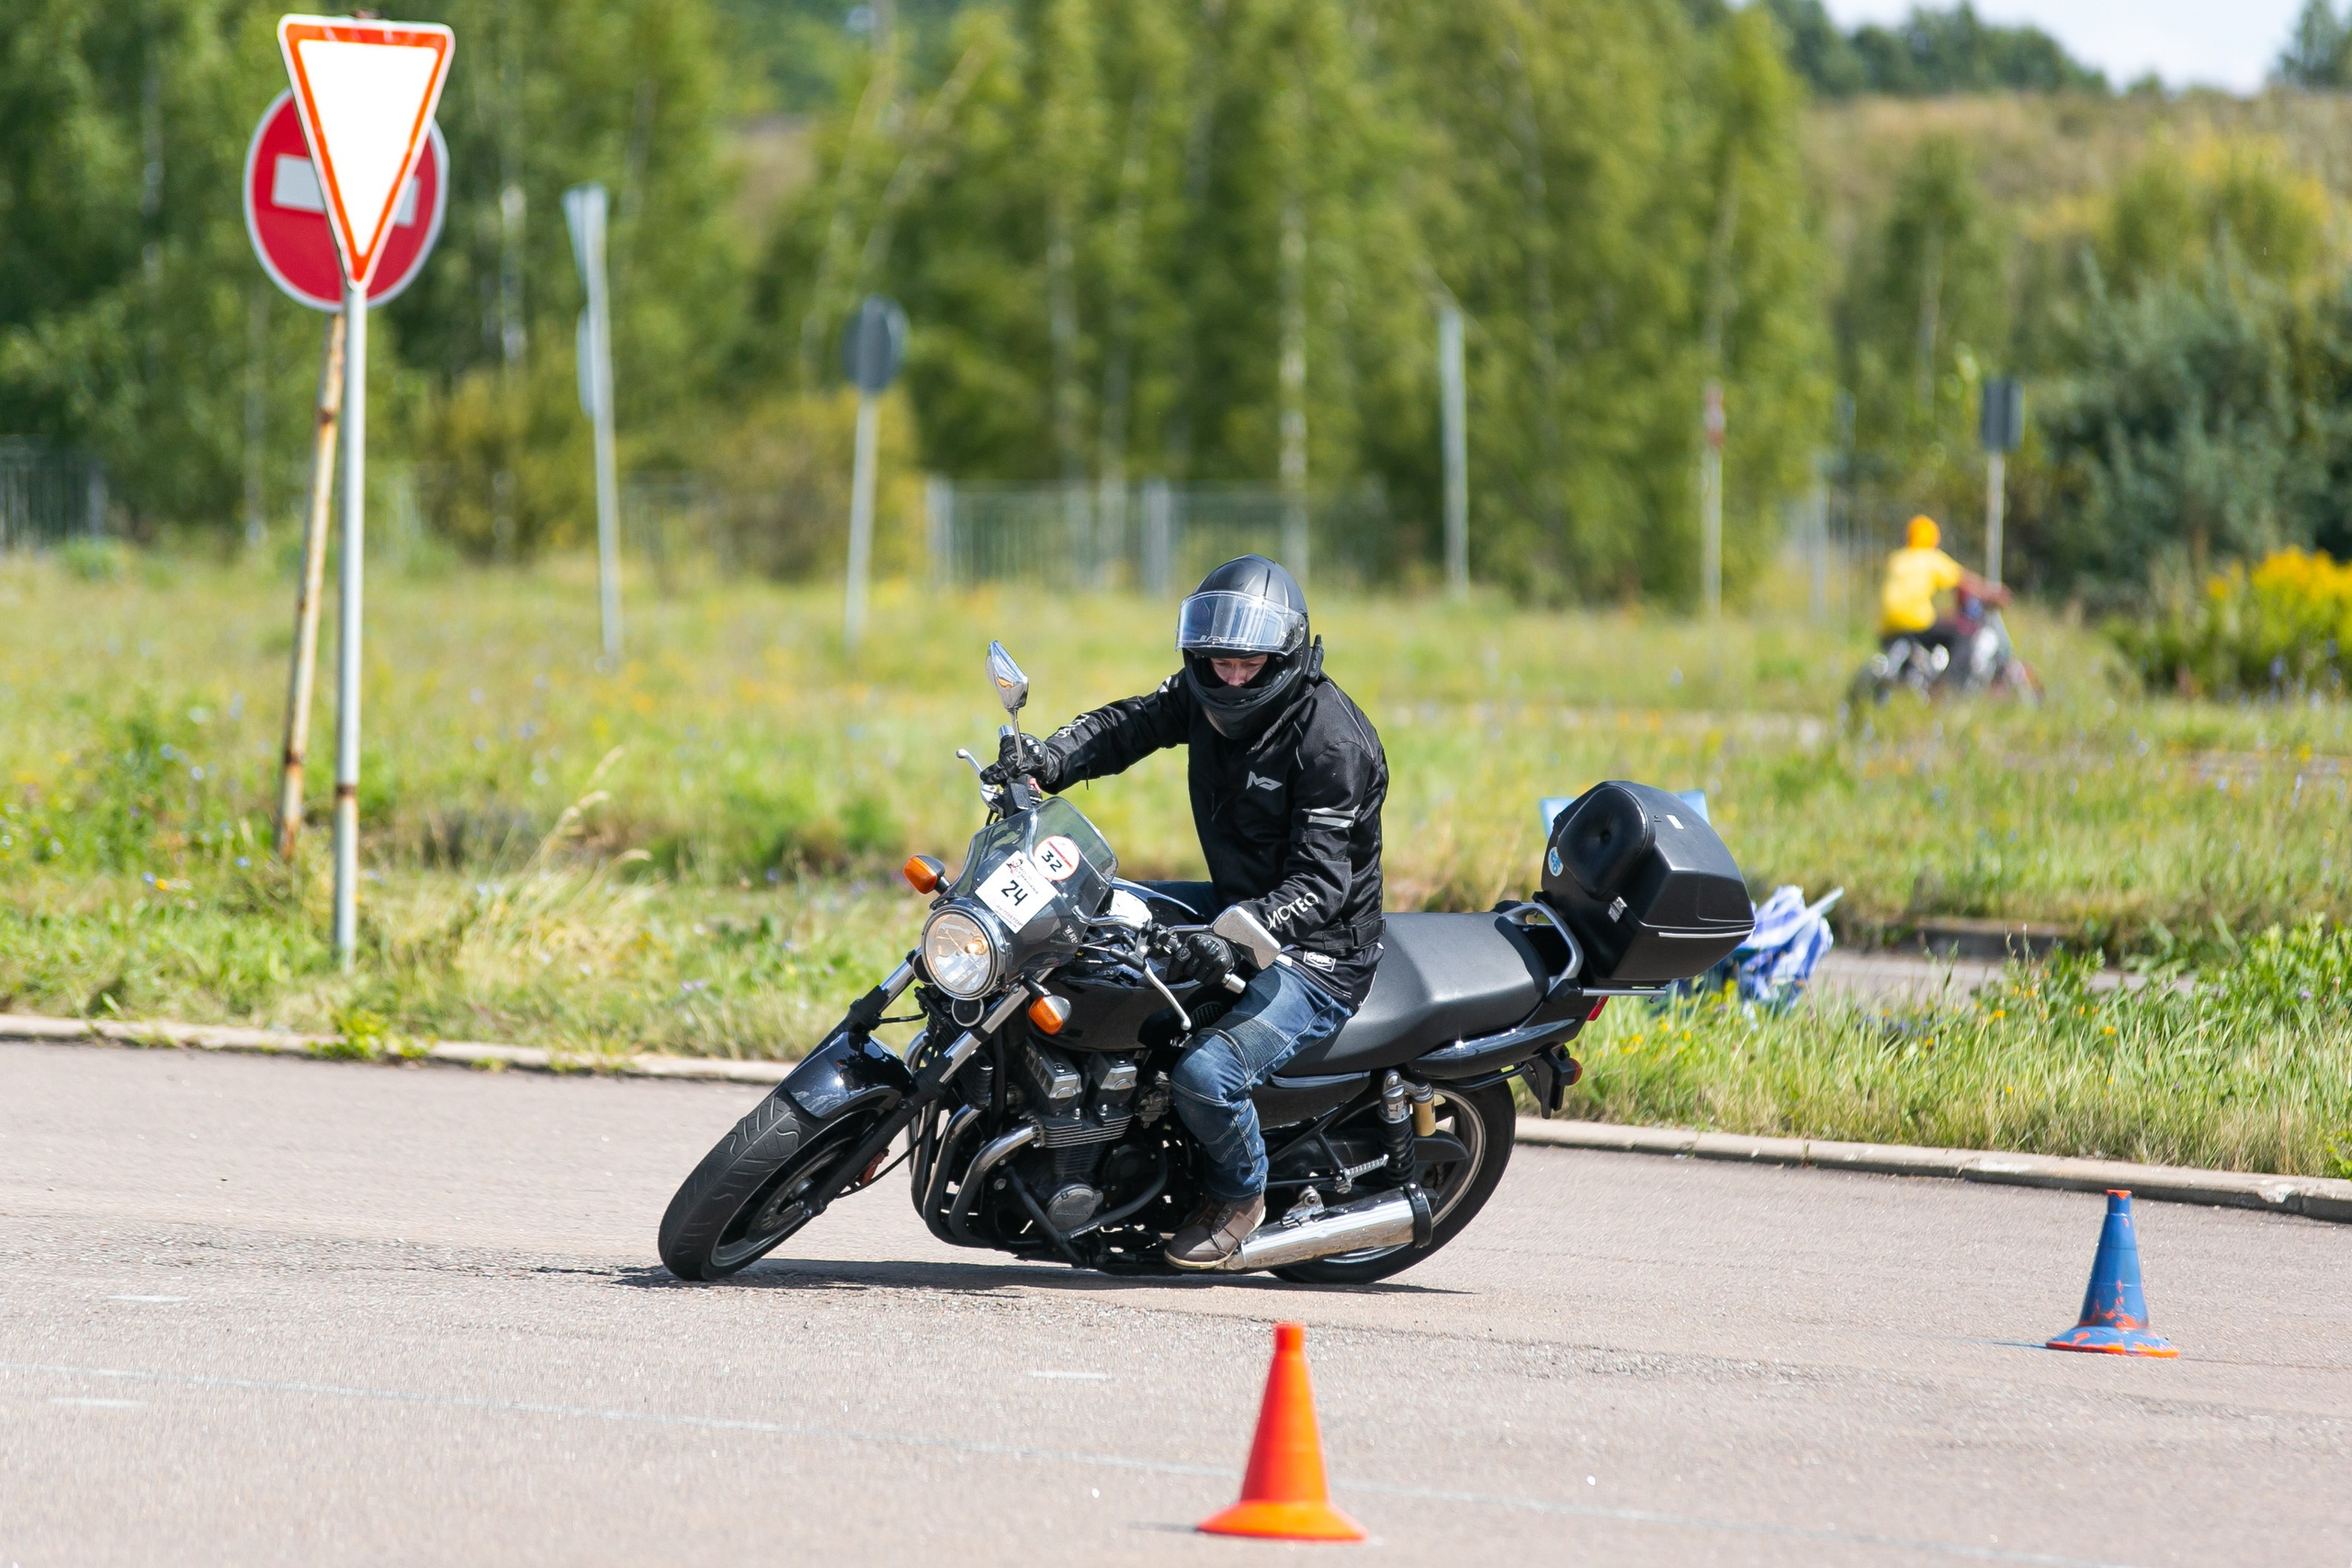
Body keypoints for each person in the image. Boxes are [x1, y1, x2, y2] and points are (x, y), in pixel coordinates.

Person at [979, 555, 1388, 1269]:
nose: (1231, 674)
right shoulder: (1201, 692)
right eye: (1218, 658)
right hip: (1237, 903)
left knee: (1207, 1074)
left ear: (1286, 652)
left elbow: (1321, 885)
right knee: (1086, 913)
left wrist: (1233, 944)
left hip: (1318, 950)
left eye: (1248, 661)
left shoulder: (1330, 742)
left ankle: (1240, 1196)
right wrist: (1048, 760)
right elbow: (1129, 725)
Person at [1880, 514, 2008, 669]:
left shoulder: (1897, 559)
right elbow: (1964, 580)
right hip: (1917, 623)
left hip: (1888, 628)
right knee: (1963, 636)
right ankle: (1949, 685)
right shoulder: (1931, 558)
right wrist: (1993, 592)